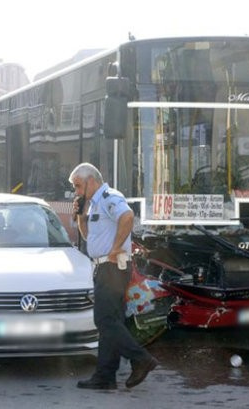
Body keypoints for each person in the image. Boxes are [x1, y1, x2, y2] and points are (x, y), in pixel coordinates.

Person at [69, 162, 158, 390]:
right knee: (111, 322)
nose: (77, 192)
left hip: (112, 267)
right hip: (103, 267)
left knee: (105, 320)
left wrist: (116, 247)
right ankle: (105, 376)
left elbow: (127, 217)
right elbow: (90, 238)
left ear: (91, 181)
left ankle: (140, 359)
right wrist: (80, 216)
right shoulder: (95, 203)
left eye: (78, 186)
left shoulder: (109, 196)